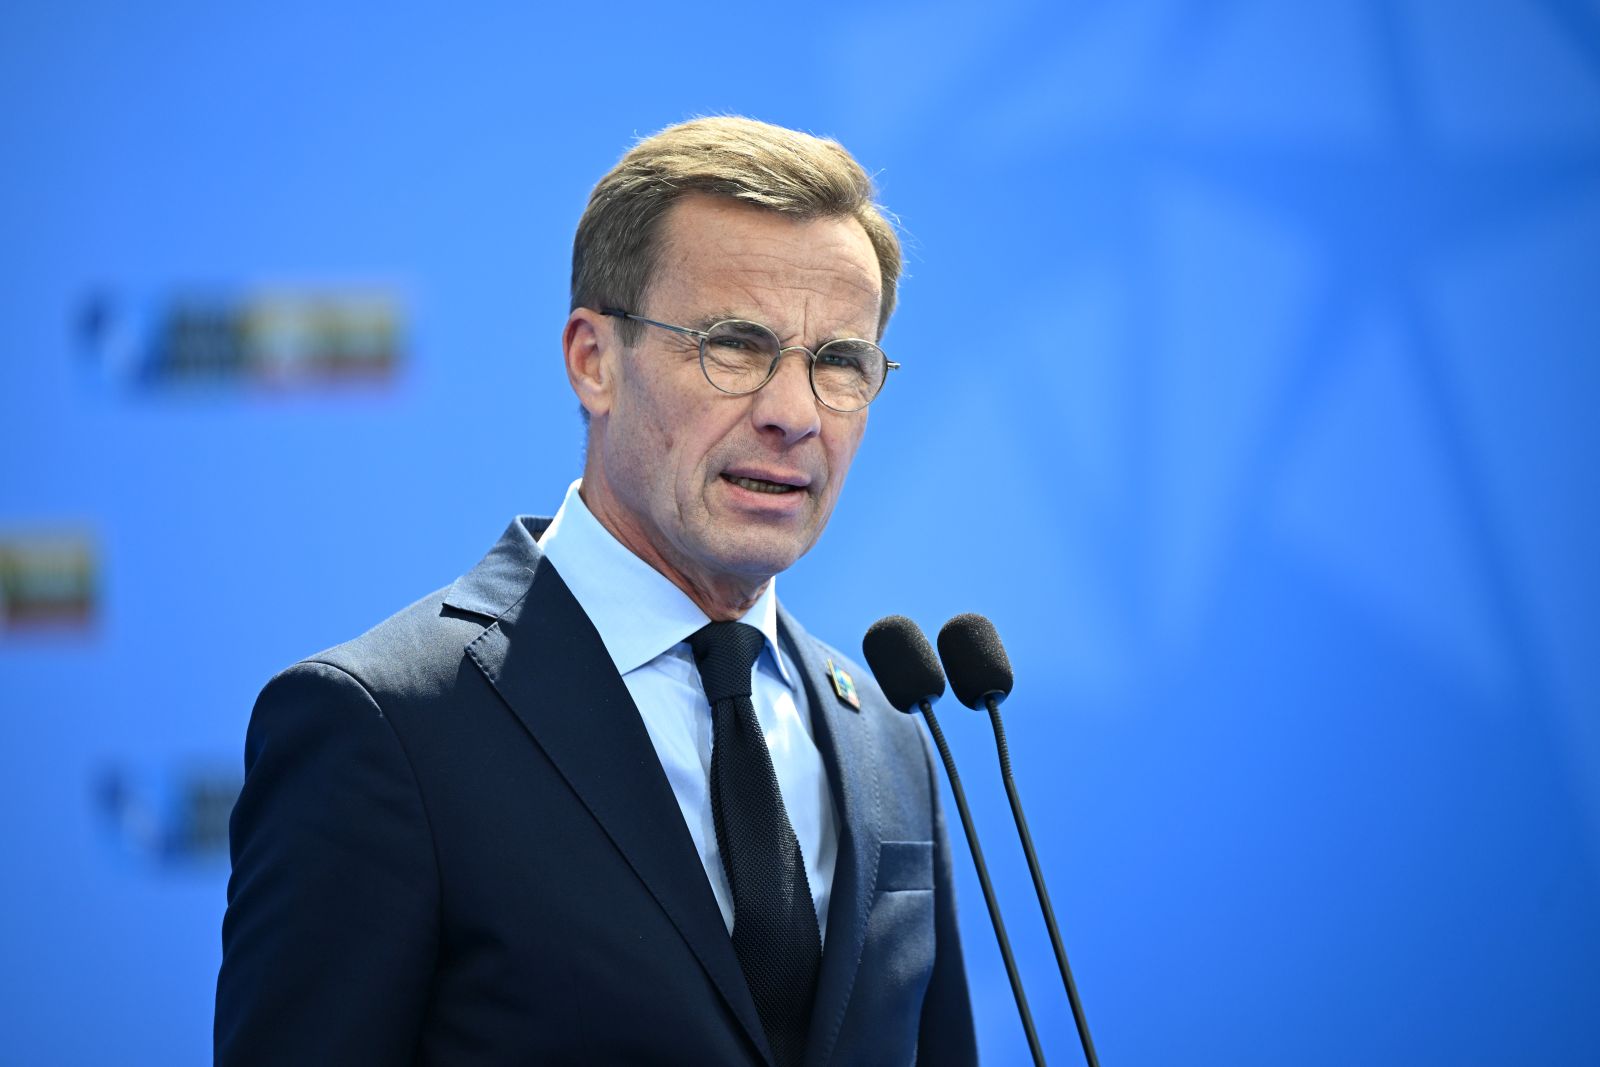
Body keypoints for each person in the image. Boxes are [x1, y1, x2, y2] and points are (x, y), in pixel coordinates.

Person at [215, 116, 976, 1066]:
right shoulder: (387, 726)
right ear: (593, 359)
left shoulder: (890, 739)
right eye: (734, 346)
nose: (792, 414)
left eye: (839, 364)